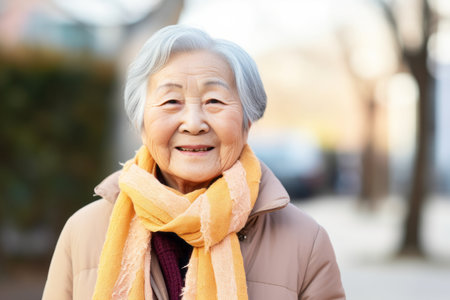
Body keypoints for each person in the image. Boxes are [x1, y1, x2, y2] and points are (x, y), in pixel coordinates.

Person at [42, 25, 345, 300]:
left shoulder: (305, 242)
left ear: (247, 121)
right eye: (171, 101)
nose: (193, 123)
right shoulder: (83, 232)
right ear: (141, 122)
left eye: (214, 101)